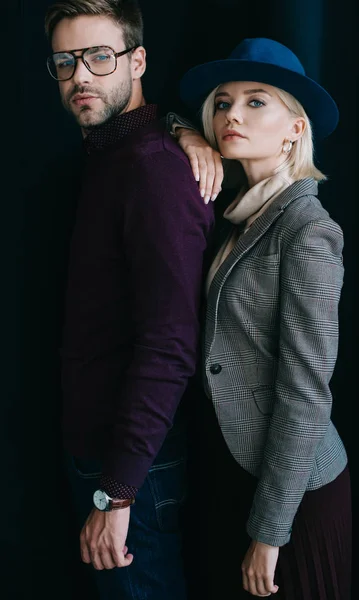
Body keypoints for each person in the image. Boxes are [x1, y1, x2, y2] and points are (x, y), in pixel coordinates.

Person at [171, 38, 352, 599]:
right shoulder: (243, 215)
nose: (231, 115)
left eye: (256, 102)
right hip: (238, 471)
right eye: (222, 103)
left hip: (295, 494)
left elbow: (306, 390)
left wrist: (270, 533)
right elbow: (162, 116)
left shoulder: (307, 228)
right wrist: (184, 132)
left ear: (296, 128)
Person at [44, 1, 213, 599]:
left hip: (133, 471)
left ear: (136, 60)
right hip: (107, 457)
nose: (80, 77)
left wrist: (118, 490)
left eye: (98, 57)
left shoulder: (153, 172)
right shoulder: (113, 156)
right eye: (66, 62)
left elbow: (170, 344)